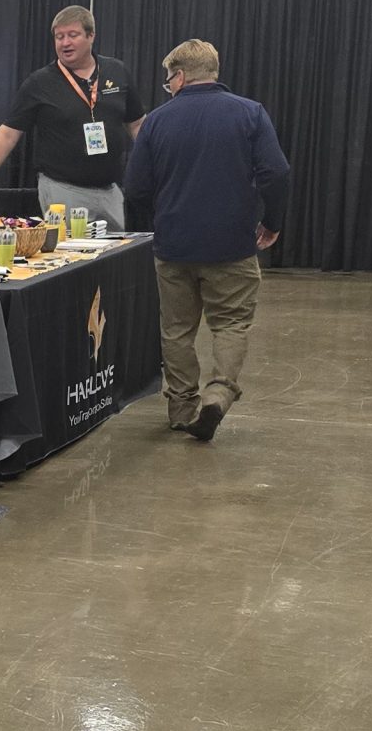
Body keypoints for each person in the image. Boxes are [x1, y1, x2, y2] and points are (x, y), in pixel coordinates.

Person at [123, 37, 291, 444]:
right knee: (231, 323)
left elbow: (136, 187)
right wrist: (271, 222)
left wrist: (157, 220)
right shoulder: (250, 113)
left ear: (180, 77)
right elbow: (277, 172)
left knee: (177, 329)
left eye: (168, 80)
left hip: (174, 244)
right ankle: (218, 394)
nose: (168, 86)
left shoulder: (156, 121)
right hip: (232, 244)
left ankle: (182, 409)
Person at [0, 5, 141, 225]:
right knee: (70, 248)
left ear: (91, 36)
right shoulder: (40, 82)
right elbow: (8, 134)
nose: (65, 43)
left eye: (73, 35)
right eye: (59, 37)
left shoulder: (117, 71)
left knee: (118, 248)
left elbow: (137, 124)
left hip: (110, 190)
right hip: (63, 190)